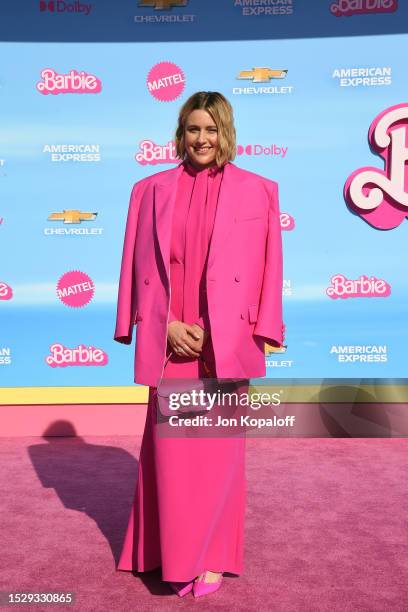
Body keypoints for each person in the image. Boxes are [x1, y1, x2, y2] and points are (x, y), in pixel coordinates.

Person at [113, 91, 284, 598]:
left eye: (211, 129)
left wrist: (256, 329)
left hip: (223, 344)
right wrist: (155, 325)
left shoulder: (260, 190)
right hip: (171, 344)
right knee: (169, 455)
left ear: (225, 132)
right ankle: (164, 550)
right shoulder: (148, 190)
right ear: (180, 134)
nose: (202, 139)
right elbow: (134, 267)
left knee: (217, 457)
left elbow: (271, 268)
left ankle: (209, 555)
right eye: (193, 129)